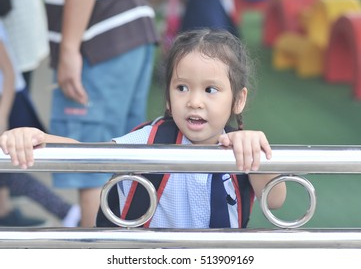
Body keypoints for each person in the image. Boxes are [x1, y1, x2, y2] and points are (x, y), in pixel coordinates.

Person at [0, 29, 287, 228]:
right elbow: (89, 156)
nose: (194, 101)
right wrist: (36, 138)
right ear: (167, 95)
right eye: (182, 87)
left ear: (238, 99)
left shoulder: (238, 148)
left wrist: (256, 150)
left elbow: (275, 199)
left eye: (211, 89)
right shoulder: (151, 139)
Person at [43, 0, 158, 227]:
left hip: (97, 36)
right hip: (131, 26)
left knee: (93, 165)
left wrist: (69, 49)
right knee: (125, 162)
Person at [0, 20, 80, 227]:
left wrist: (2, 115)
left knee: (12, 163)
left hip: (6, 102)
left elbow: (9, 74)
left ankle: (68, 212)